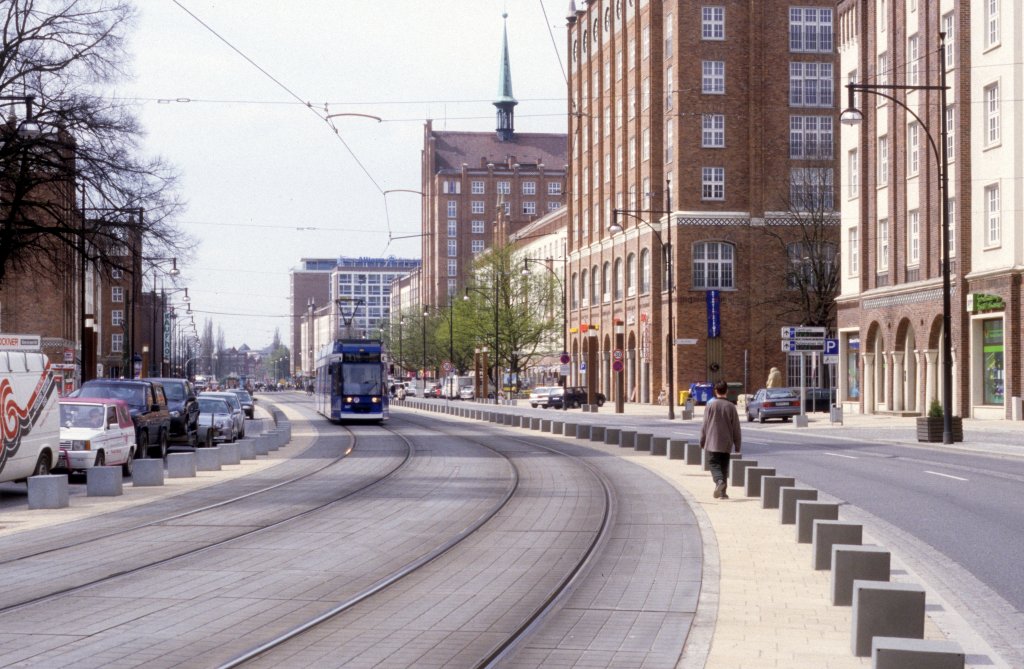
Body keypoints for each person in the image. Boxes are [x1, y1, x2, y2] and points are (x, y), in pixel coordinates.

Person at [699, 380, 742, 499]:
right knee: (724, 467)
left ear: (715, 391)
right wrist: (737, 445)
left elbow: (705, 425)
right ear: (726, 391)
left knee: (713, 463)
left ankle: (718, 482)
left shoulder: (710, 405)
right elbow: (736, 427)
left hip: (712, 441)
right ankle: (723, 493)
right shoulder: (731, 407)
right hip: (726, 442)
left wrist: (702, 440)